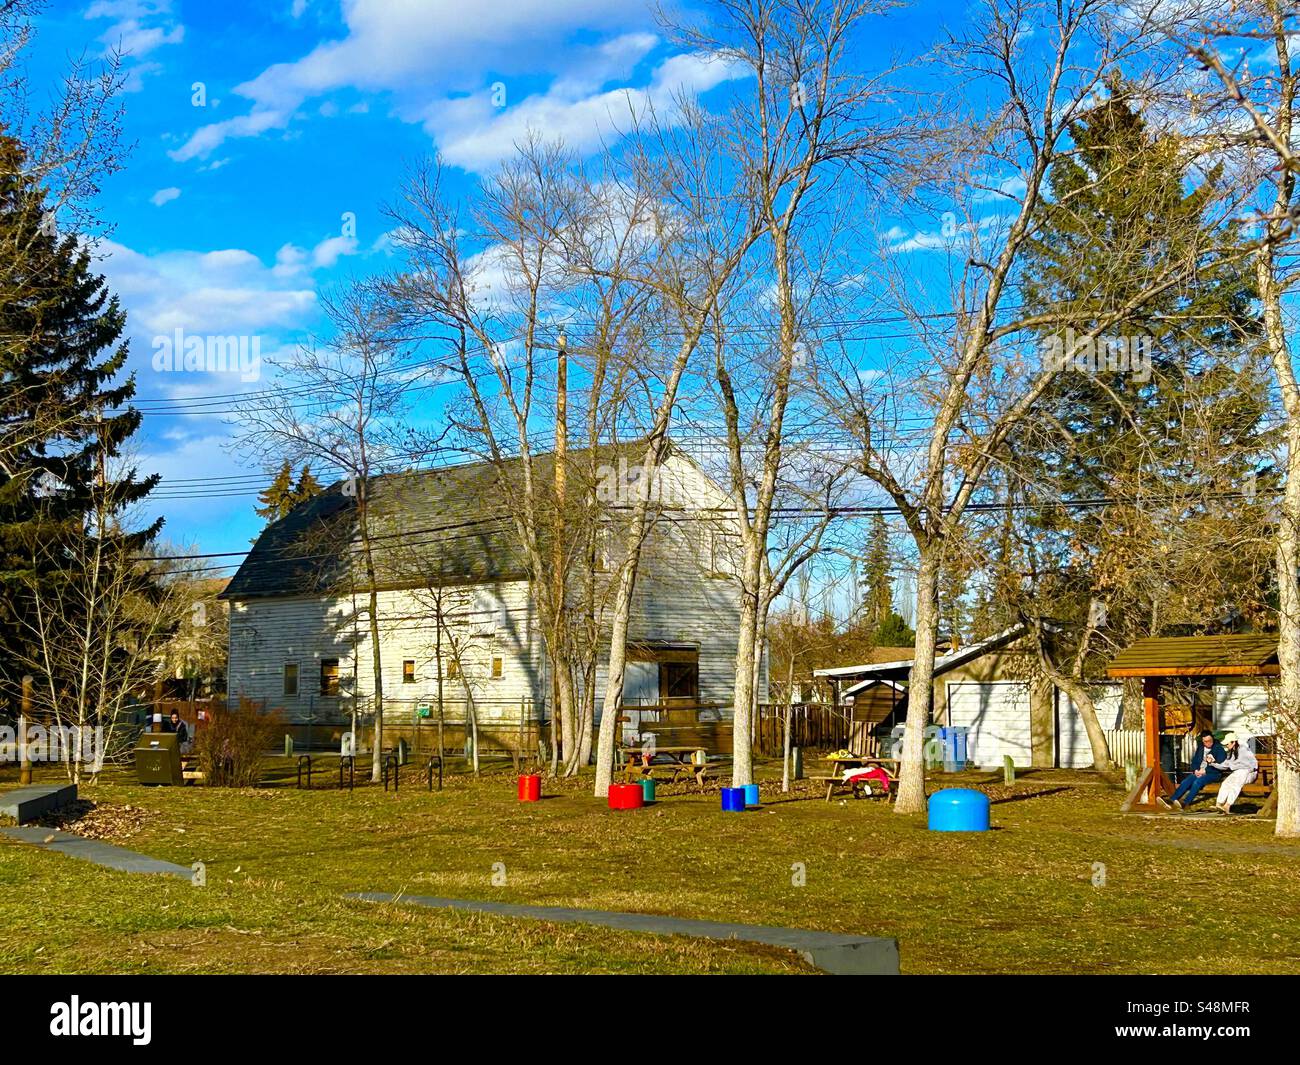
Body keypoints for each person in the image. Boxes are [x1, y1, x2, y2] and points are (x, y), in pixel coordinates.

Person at [1164, 730, 1225, 809]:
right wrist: (1196, 770)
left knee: (1197, 782)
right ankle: (1172, 800)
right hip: (1200, 771)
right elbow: (1195, 760)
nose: (1208, 743)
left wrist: (1205, 771)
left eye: (1210, 740)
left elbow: (1220, 765)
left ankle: (1185, 803)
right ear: (1203, 741)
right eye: (1206, 741)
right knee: (1186, 781)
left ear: (1212, 739)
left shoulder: (1219, 749)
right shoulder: (1201, 748)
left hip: (1213, 773)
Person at [1209, 732, 1257, 814]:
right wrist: (1212, 763)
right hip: (1238, 772)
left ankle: (1227, 806)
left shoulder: (1243, 750)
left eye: (1227, 743)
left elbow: (1249, 766)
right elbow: (1225, 765)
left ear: (1233, 742)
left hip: (1249, 773)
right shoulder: (1232, 752)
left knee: (1235, 784)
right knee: (1225, 783)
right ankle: (1219, 804)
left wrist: (1232, 766)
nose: (1226, 746)